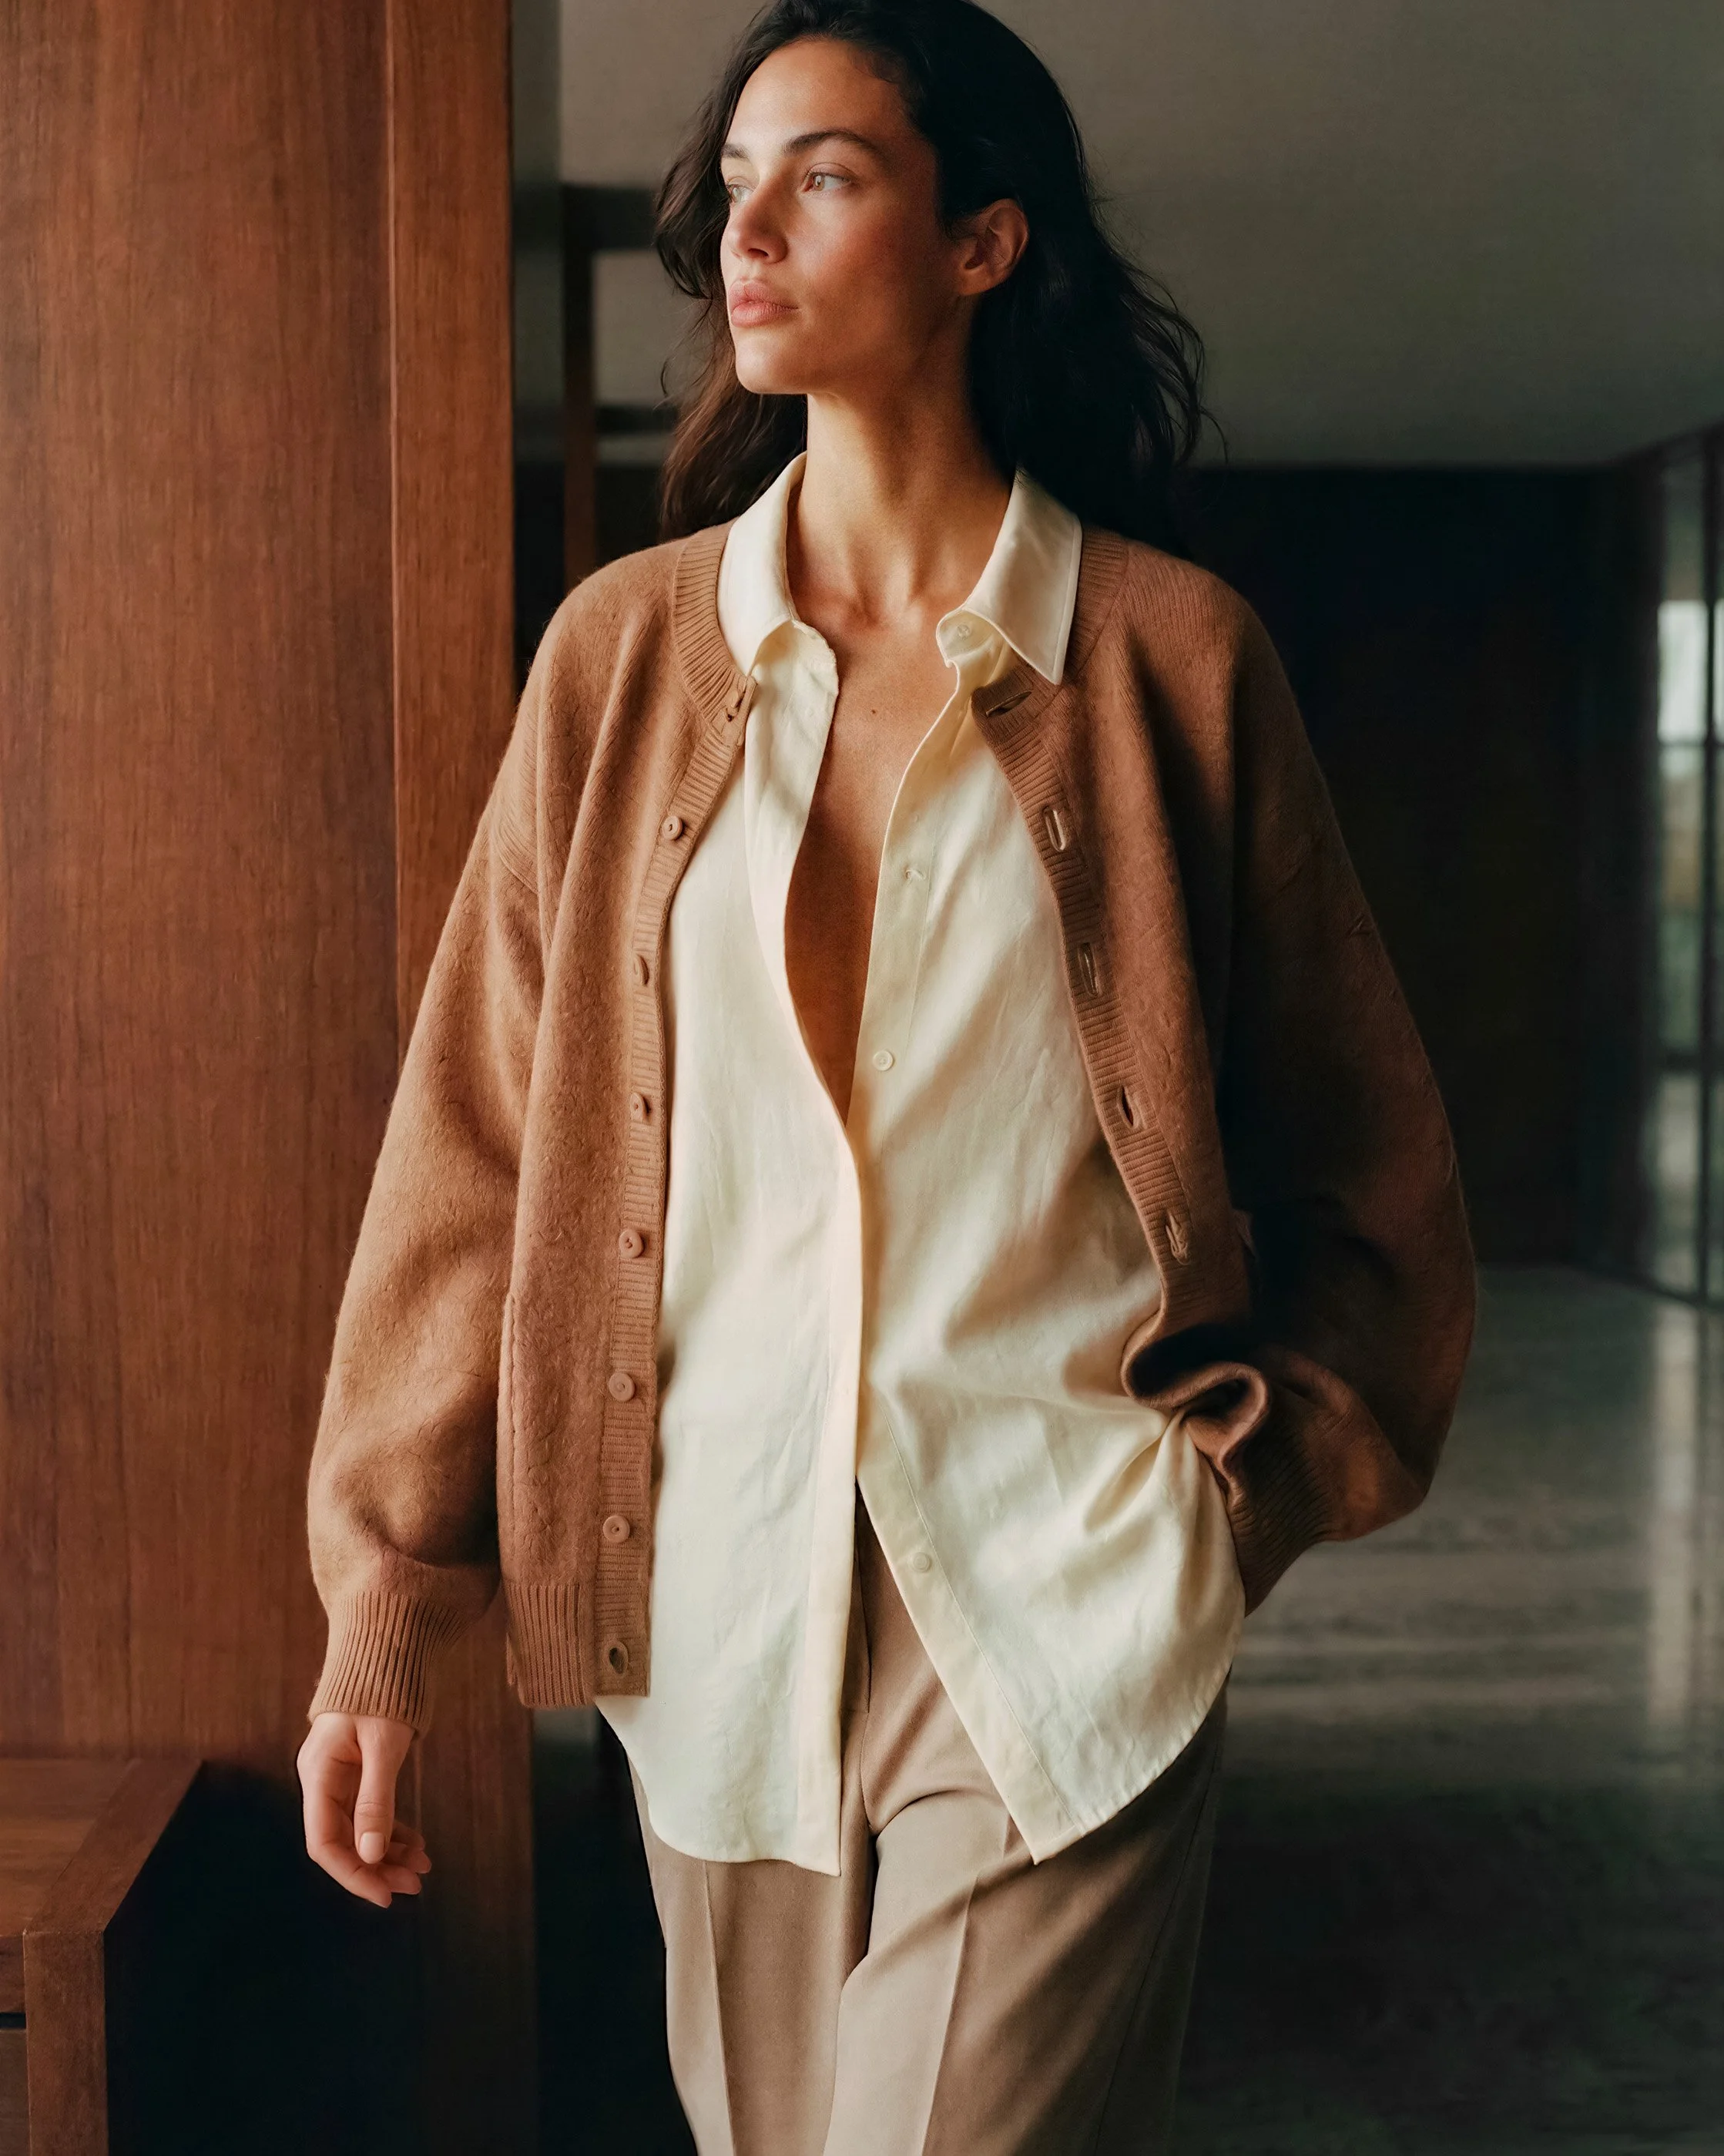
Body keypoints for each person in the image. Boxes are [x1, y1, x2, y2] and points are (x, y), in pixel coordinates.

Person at [297, 2, 1476, 2148]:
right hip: (710, 1614)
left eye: (822, 173)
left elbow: (1366, 1164)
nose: (741, 227)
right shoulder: (624, 659)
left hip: (1054, 1588)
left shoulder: (1166, 663)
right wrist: (387, 1609)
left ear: (979, 243)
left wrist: (1237, 1493)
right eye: (731, 180)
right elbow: (473, 1147)